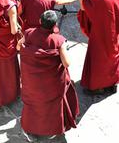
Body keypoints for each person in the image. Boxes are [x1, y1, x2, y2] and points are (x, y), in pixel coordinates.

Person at [19, 10, 79, 138]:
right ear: (54, 25)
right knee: (50, 106)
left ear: (40, 21)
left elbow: (20, 46)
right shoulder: (58, 40)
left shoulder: (29, 33)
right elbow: (66, 63)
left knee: (33, 104)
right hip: (51, 83)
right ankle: (50, 130)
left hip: (32, 79)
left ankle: (31, 129)